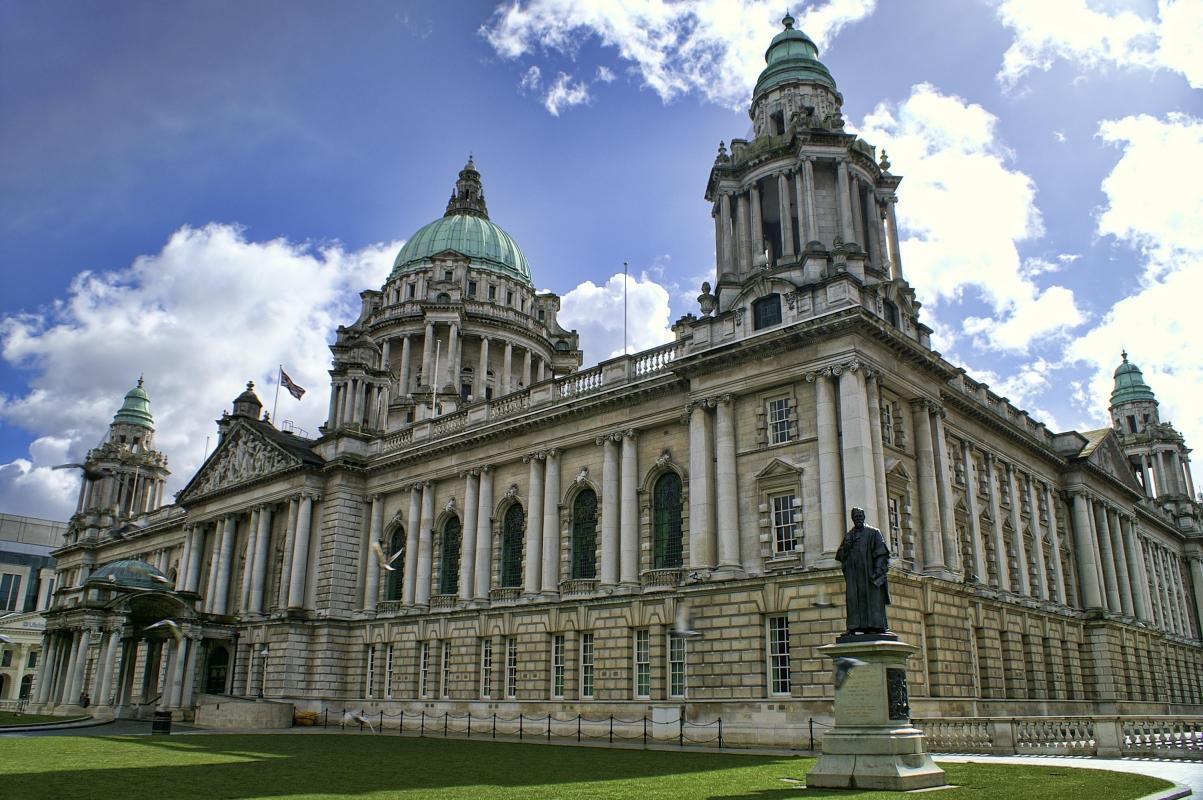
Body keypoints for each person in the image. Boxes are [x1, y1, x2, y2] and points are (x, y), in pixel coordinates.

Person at [835, 507, 891, 636]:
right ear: (852, 519)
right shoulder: (849, 535)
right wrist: (847, 546)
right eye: (856, 517)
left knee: (873, 601)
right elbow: (840, 556)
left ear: (864, 517)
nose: (858, 519)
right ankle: (853, 627)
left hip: (870, 575)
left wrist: (878, 571)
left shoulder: (874, 532)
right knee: (853, 600)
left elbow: (882, 554)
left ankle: (875, 627)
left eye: (860, 516)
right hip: (854, 576)